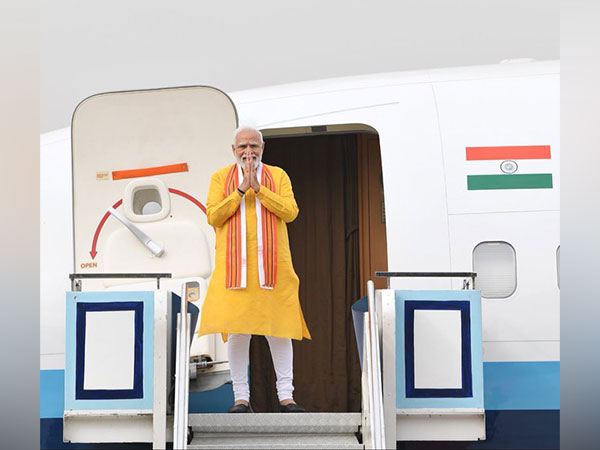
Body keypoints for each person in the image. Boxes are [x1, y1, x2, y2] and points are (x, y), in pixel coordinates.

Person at [198, 126, 311, 413]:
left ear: (263, 147)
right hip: (234, 270)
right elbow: (213, 215)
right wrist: (239, 191)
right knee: (237, 333)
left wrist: (260, 190)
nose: (248, 152)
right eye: (242, 147)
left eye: (253, 146)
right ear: (233, 150)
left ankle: (286, 397)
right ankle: (241, 398)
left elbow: (291, 211)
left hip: (273, 268)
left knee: (280, 330)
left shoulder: (278, 176)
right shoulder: (221, 178)